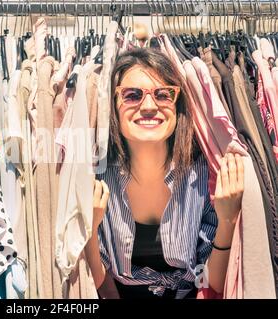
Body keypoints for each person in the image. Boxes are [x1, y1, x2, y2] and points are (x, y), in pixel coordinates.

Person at [85, 48, 244, 299]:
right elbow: (99, 282)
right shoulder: (98, 177)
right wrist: (90, 229)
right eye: (132, 95)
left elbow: (212, 281)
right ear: (113, 107)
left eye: (163, 94)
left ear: (177, 104)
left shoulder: (203, 175)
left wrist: (227, 222)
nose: (149, 106)